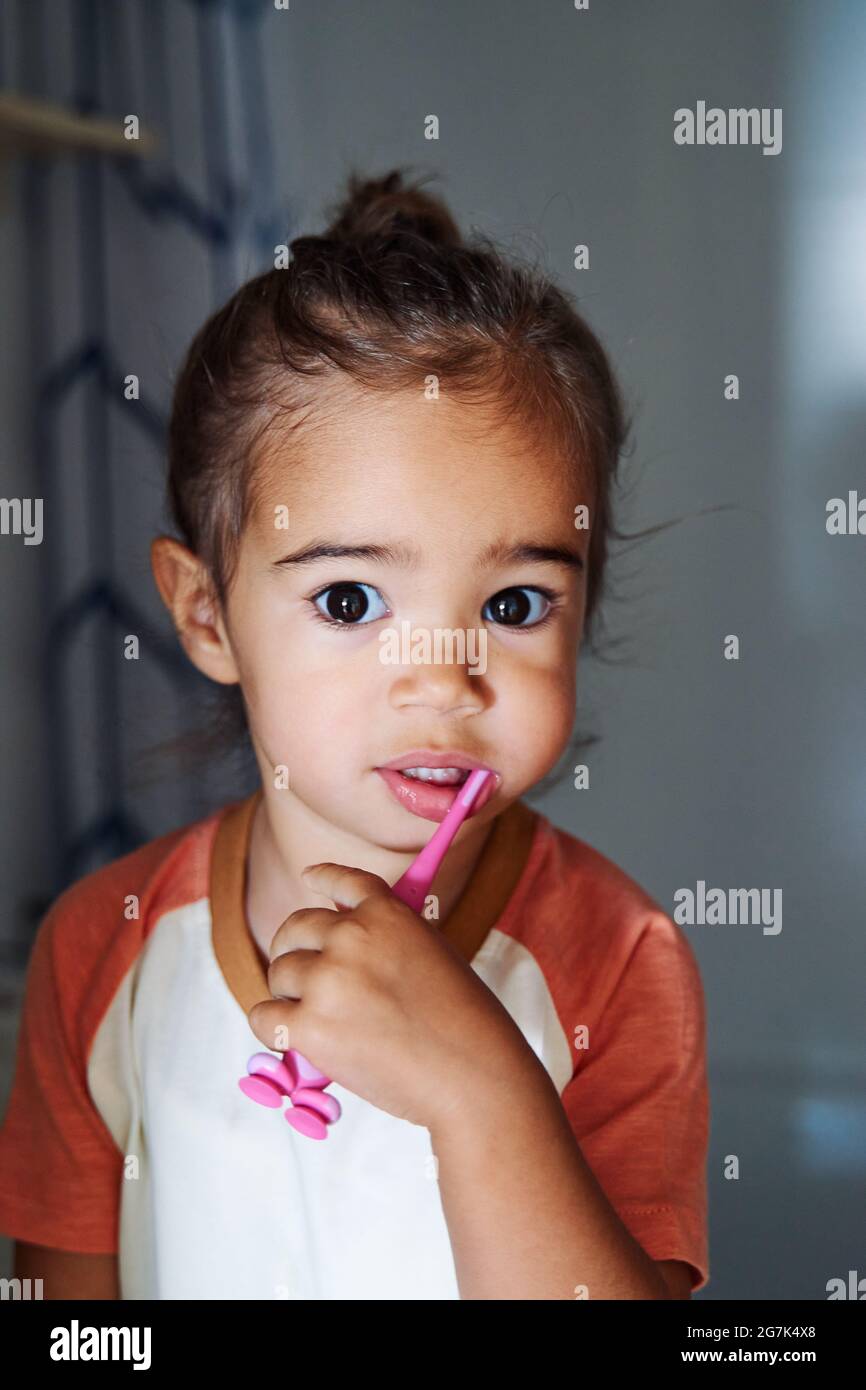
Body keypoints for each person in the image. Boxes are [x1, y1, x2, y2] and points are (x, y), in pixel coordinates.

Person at [0, 168, 709, 1300]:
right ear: (204, 614)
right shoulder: (100, 952)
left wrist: (481, 1090)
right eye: (347, 602)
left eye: (514, 604)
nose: (442, 684)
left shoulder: (623, 964)